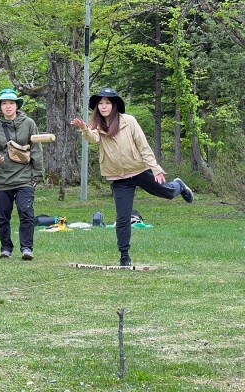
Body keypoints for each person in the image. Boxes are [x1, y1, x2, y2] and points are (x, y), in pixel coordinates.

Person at [71, 87, 194, 266]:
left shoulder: (129, 121)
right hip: (118, 177)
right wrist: (84, 129)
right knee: (122, 218)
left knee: (167, 193)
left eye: (107, 103)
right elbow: (93, 138)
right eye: (100, 103)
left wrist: (155, 168)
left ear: (114, 105)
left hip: (139, 169)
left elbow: (143, 146)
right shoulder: (96, 125)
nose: (103, 106)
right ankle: (124, 258)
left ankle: (179, 186)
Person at [0, 89, 44, 260]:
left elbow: (37, 149)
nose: (8, 106)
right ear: (0, 106)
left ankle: (27, 249)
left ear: (17, 105)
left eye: (11, 103)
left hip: (25, 177)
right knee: (2, 217)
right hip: (2, 179)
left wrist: (37, 175)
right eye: (4, 103)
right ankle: (6, 248)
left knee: (26, 212)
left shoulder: (29, 123)